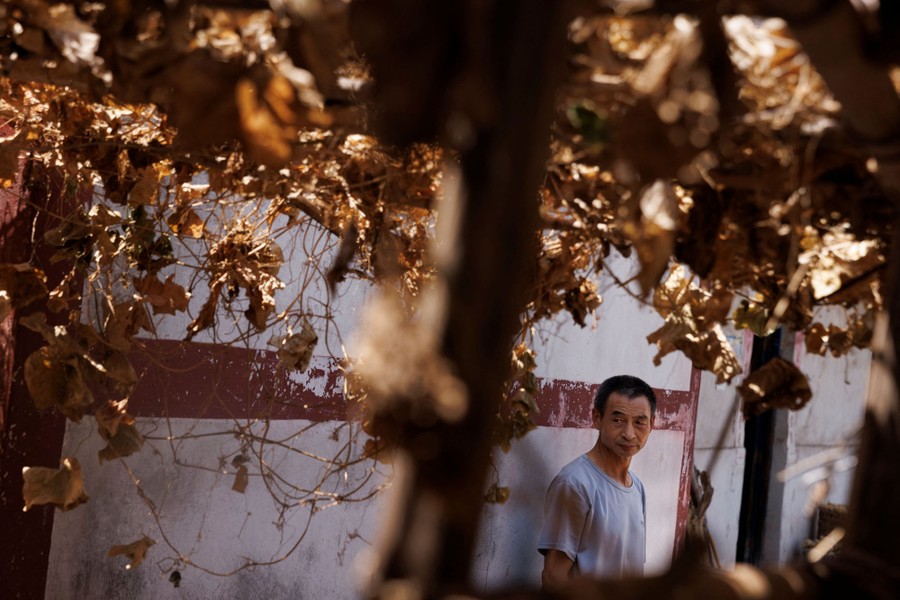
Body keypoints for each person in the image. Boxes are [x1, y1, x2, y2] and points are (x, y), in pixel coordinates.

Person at [538, 374, 656, 589]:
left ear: (651, 425)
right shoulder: (575, 484)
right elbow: (554, 576)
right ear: (597, 418)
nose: (629, 434)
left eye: (639, 422)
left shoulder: (636, 487)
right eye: (618, 420)